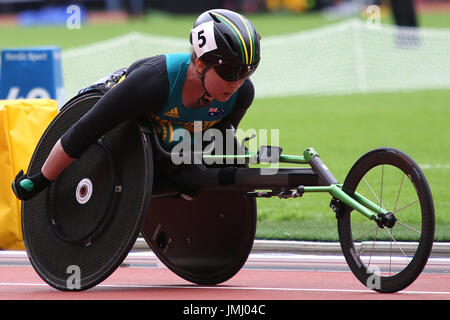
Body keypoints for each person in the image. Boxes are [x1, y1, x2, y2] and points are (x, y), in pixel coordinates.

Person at [12, 8, 261, 201]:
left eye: (247, 72)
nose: (238, 82)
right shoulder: (152, 83)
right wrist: (41, 179)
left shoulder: (242, 95)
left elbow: (217, 144)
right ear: (200, 64)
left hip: (167, 146)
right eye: (229, 72)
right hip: (114, 131)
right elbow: (85, 130)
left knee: (227, 162)